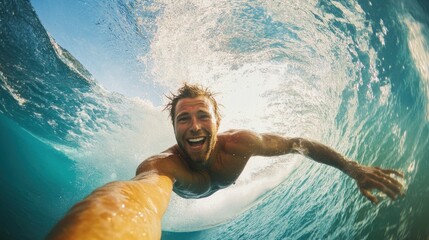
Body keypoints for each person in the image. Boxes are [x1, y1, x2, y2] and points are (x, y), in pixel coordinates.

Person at [47, 83, 404, 239]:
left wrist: (353, 168)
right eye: (183, 119)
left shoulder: (240, 144)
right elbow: (133, 199)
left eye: (203, 115)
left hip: (226, 178)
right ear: (173, 128)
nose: (194, 126)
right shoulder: (163, 167)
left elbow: (298, 144)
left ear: (218, 121)